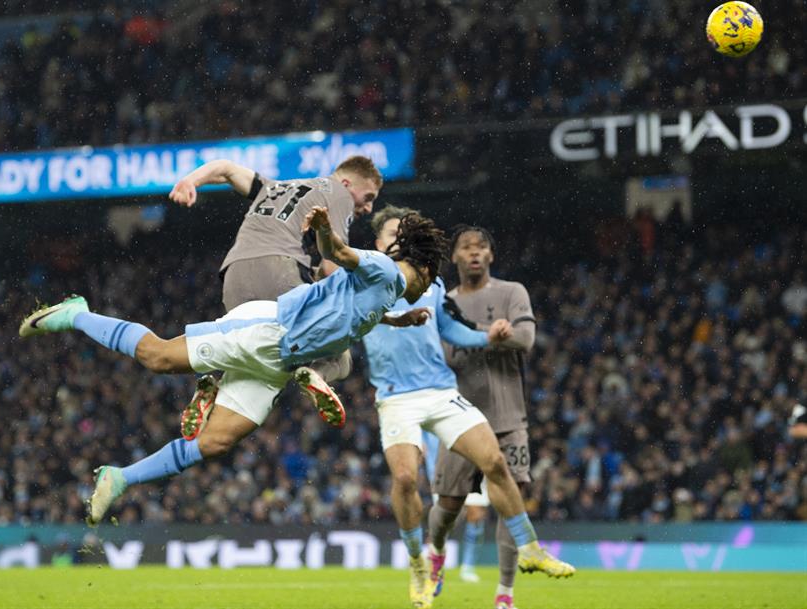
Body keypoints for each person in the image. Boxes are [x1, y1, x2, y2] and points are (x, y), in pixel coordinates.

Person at [18, 208, 444, 526]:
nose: (429, 290)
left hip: (280, 362)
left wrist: (398, 318)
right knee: (158, 357)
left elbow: (358, 305)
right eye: (433, 280)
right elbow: (341, 254)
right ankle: (77, 313)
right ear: (425, 270)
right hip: (266, 329)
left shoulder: (386, 293)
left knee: (216, 442)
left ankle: (121, 477)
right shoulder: (385, 268)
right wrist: (324, 229)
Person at [360, 208, 574, 609]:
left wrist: (485, 337)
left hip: (440, 390)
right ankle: (419, 564)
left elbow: (449, 329)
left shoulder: (430, 280)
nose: (399, 239)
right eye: (392, 233)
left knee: (494, 460)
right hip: (395, 396)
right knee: (406, 479)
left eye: (404, 234)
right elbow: (354, 315)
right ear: (377, 242)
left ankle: (529, 547)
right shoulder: (364, 278)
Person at [168, 156, 383, 436]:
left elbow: (226, 168)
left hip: (234, 275)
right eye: (368, 197)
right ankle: (317, 373)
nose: (368, 208)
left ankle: (215, 387)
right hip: (280, 270)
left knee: (251, 350)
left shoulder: (273, 186)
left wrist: (190, 180)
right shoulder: (338, 193)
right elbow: (332, 269)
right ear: (346, 183)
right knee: (340, 350)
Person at [426, 226, 545, 609]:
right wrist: (482, 334)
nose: (474, 253)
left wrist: (493, 334)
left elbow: (525, 340)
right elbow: (437, 357)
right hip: (459, 419)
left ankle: (505, 594)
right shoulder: (443, 304)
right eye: (466, 248)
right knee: (447, 506)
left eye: (481, 247)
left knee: (512, 503)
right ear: (456, 257)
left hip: (509, 419)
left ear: (491, 255)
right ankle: (437, 554)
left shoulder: (512, 293)